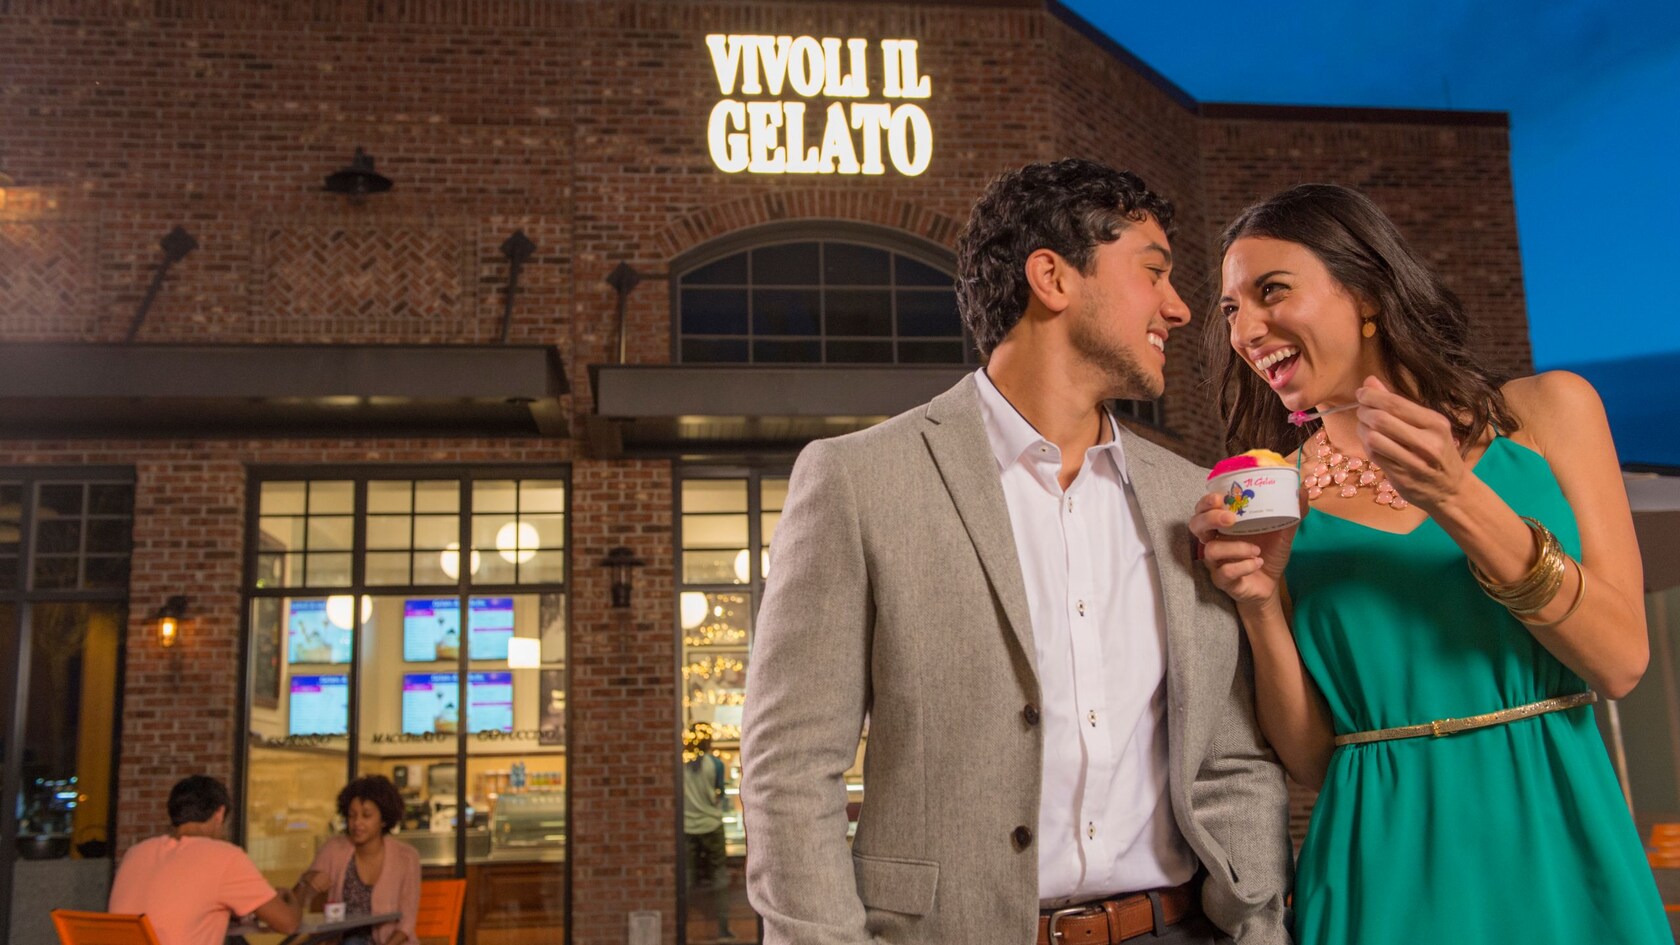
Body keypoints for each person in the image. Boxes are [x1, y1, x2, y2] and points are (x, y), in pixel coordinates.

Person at [741, 158, 1291, 945]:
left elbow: (1229, 754)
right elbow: (790, 767)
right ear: (1052, 278)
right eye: (1153, 272)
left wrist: (1260, 923)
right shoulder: (859, 481)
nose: (1178, 307)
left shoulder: (1190, 498)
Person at [1193, 182, 1669, 944]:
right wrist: (1257, 604)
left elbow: (1620, 659)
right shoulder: (1277, 495)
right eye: (1230, 309)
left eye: (1271, 291)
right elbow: (1313, 758)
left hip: (1558, 835)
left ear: (1366, 292)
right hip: (1380, 860)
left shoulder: (1549, 413)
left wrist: (1455, 494)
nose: (1246, 329)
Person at [108, 775, 302, 945]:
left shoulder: (136, 853)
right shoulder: (225, 857)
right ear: (219, 813)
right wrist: (291, 898)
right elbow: (288, 923)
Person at [294, 775, 422, 945]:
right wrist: (306, 880)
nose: (357, 823)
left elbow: (406, 924)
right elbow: (295, 906)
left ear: (384, 819)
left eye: (366, 816)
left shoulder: (406, 857)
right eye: (351, 816)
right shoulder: (334, 850)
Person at [683, 722, 738, 942]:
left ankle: (683, 928)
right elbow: (719, 795)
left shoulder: (682, 764)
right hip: (712, 826)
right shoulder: (715, 764)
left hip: (687, 827)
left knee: (687, 878)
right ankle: (723, 929)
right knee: (719, 877)